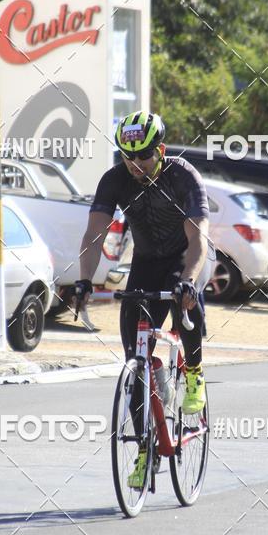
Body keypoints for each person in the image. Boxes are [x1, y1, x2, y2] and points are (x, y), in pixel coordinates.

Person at [75, 111, 214, 483]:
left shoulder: (184, 176)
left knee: (186, 300)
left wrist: (188, 280)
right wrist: (85, 281)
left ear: (161, 150)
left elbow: (198, 237)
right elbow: (94, 234)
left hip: (185, 257)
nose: (135, 164)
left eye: (143, 156)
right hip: (145, 263)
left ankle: (195, 374)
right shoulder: (115, 180)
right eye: (127, 156)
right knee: (135, 361)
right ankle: (144, 450)